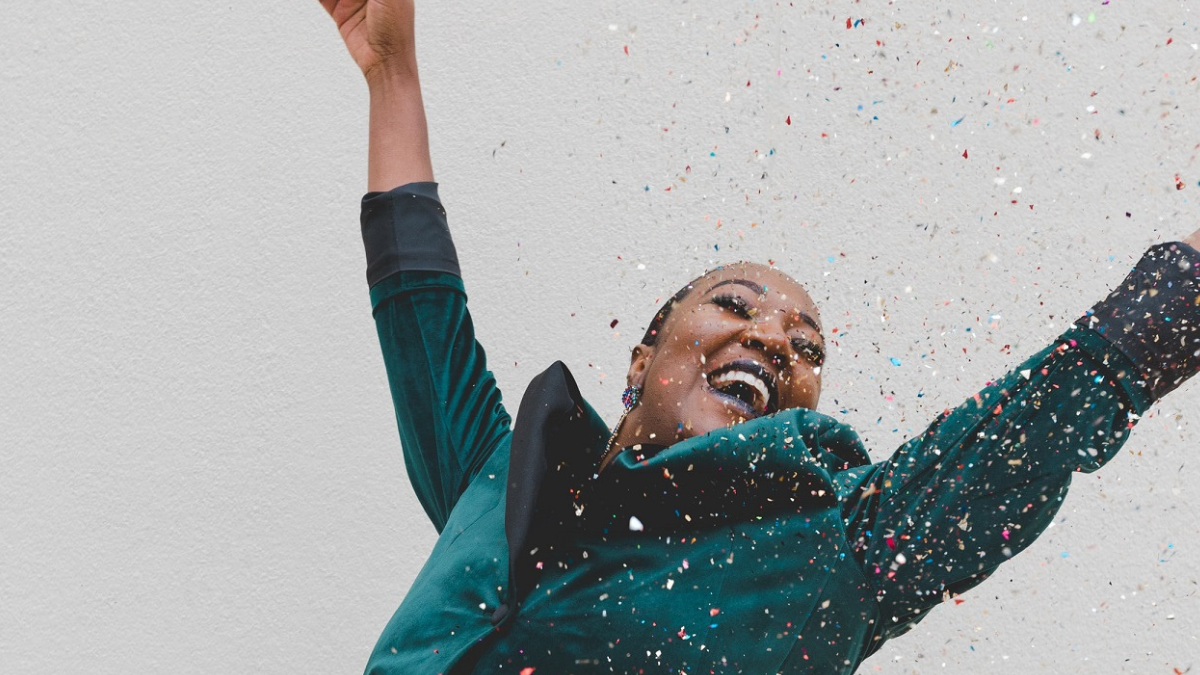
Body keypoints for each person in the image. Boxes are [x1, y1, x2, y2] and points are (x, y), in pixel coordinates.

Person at [320, 1, 1200, 673]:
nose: (774, 339)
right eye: (735, 306)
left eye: (807, 346)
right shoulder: (495, 481)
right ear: (644, 356)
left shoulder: (834, 553)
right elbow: (419, 302)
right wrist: (391, 73)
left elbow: (1037, 425)